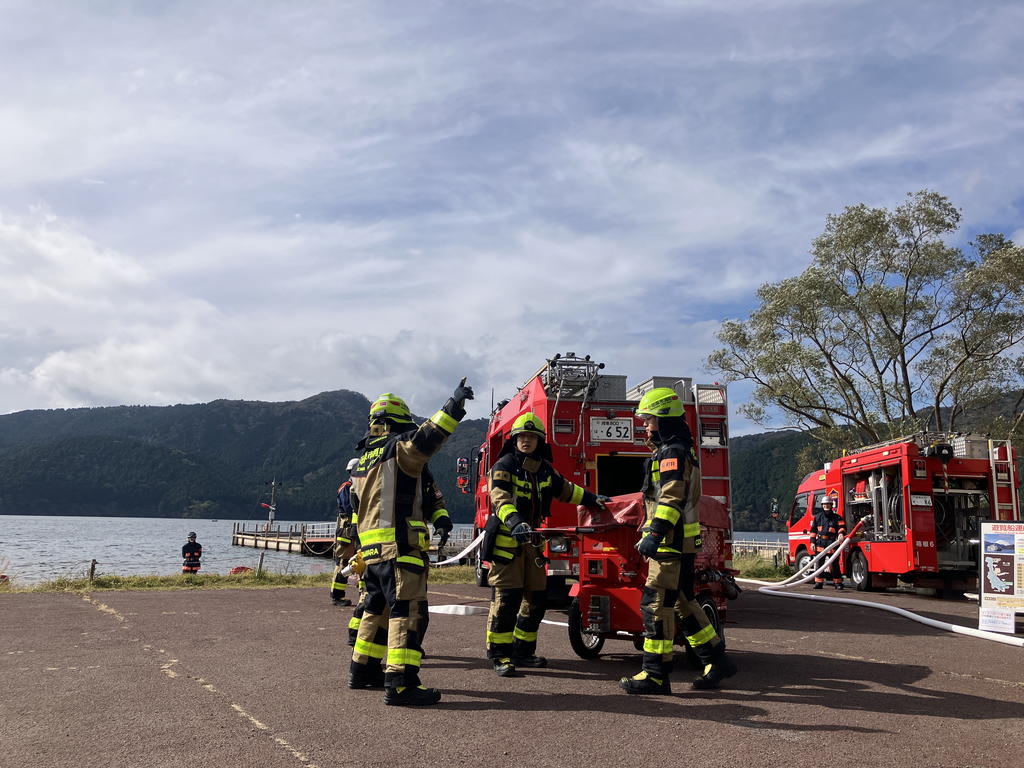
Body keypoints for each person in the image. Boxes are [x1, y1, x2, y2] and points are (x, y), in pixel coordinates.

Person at [348, 380, 473, 707]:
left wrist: (440, 515)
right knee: (409, 612)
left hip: (372, 553)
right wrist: (454, 405)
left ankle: (362, 670)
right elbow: (428, 437)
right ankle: (401, 683)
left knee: (376, 610)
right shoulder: (398, 446)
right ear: (397, 423)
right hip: (400, 548)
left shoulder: (361, 461)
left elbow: (355, 505)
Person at [619, 387, 736, 695]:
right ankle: (716, 658)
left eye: (649, 420)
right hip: (680, 542)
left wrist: (655, 533)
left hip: (669, 543)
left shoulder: (672, 453)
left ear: (664, 420)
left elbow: (671, 497)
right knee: (685, 602)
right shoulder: (681, 449)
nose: (645, 426)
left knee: (655, 605)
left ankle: (655, 674)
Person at [484, 412, 608, 677]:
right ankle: (500, 655)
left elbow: (567, 489)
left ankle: (523, 652)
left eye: (531, 437)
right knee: (507, 602)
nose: (526, 441)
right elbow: (499, 498)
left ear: (539, 441)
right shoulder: (503, 465)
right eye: (521, 436)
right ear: (515, 439)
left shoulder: (544, 470)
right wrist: (516, 522)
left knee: (536, 600)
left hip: (534, 545)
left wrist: (592, 499)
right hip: (507, 546)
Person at [347, 465, 452, 647]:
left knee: (416, 608)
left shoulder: (423, 472)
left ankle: (409, 648)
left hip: (413, 550)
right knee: (376, 604)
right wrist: (359, 539)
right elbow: (359, 505)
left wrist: (442, 521)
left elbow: (435, 501)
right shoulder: (382, 466)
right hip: (382, 550)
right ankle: (360, 641)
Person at [331, 458, 359, 606]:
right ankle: (337, 595)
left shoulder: (356, 486)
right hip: (347, 528)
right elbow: (350, 508)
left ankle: (363, 594)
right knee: (343, 561)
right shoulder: (347, 487)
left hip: (357, 527)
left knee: (360, 560)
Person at [810, 494, 846, 590]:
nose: (826, 506)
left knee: (834, 564)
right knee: (819, 564)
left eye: (828, 504)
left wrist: (841, 533)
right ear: (822, 505)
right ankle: (818, 583)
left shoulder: (837, 517)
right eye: (825, 504)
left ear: (831, 505)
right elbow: (813, 531)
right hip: (820, 543)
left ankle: (838, 583)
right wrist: (812, 542)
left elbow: (842, 527)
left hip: (832, 543)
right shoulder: (817, 517)